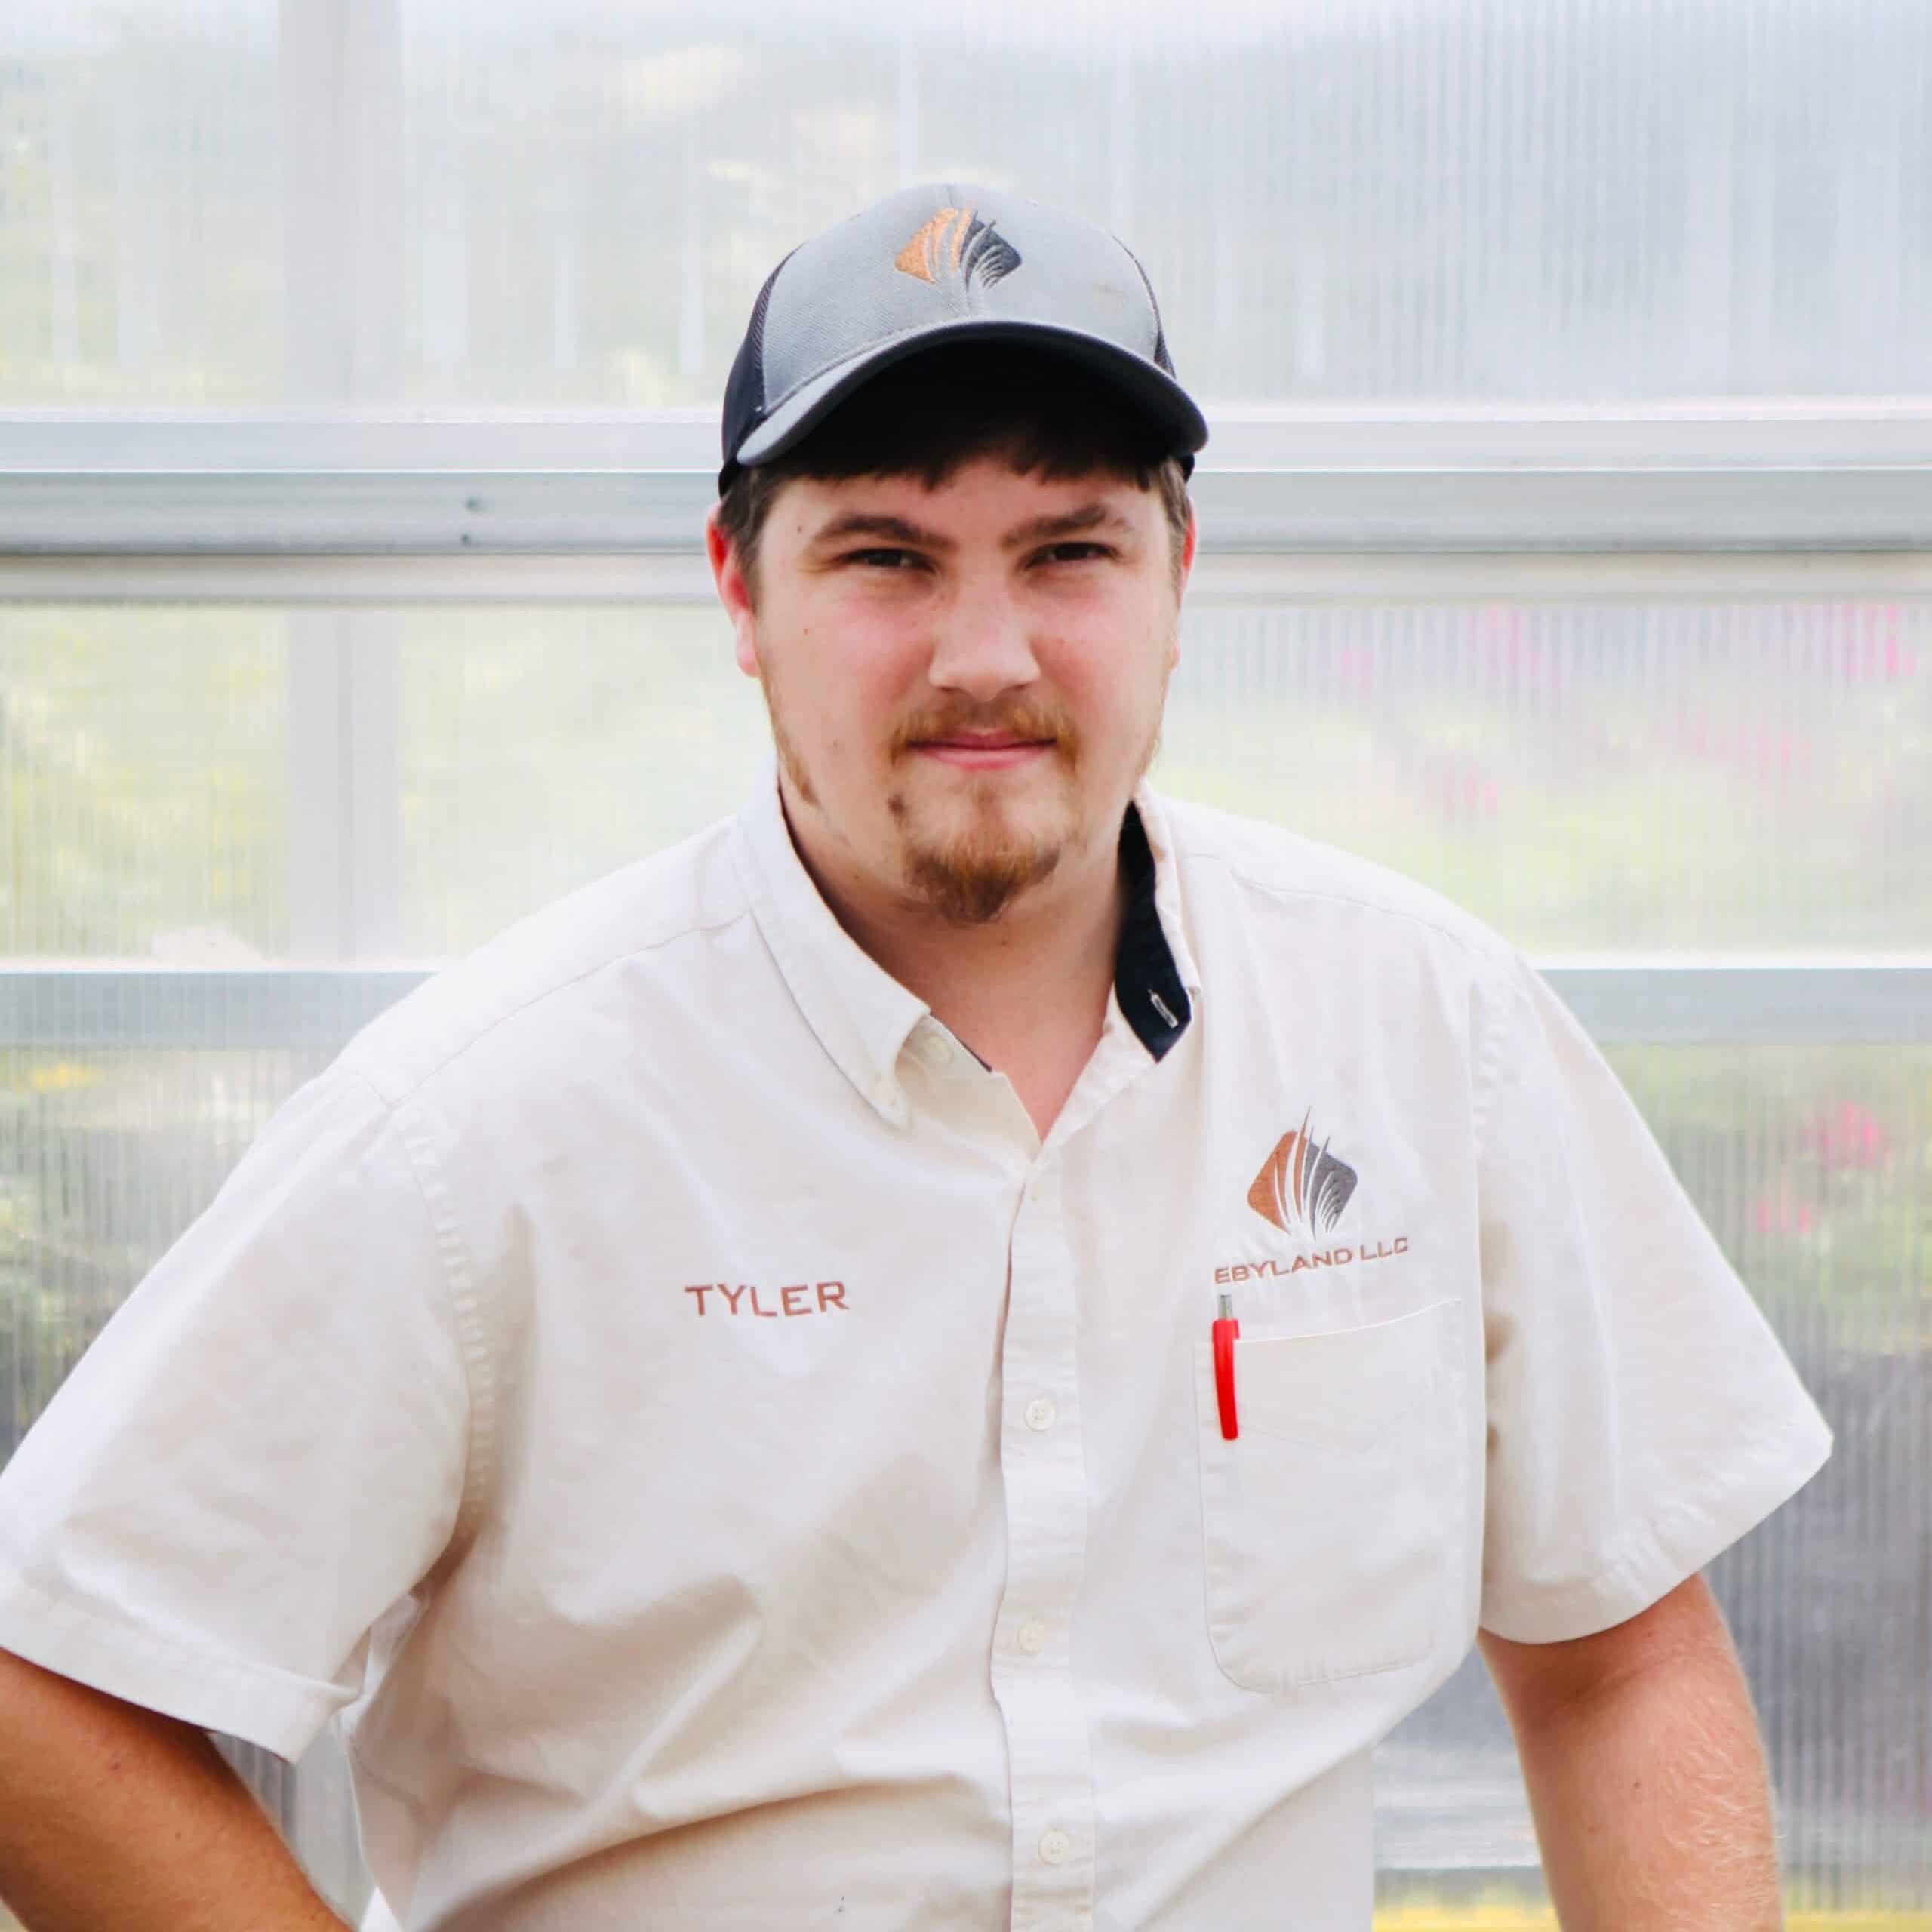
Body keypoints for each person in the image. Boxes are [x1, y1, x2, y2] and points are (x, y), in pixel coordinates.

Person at [0, 182, 1830, 1932]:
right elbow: (46, 1684)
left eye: (1067, 551)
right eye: (885, 554)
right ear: (738, 587)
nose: (983, 652)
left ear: (1176, 572)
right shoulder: (481, 1132)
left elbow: (1617, 1660)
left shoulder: (1428, 1031)